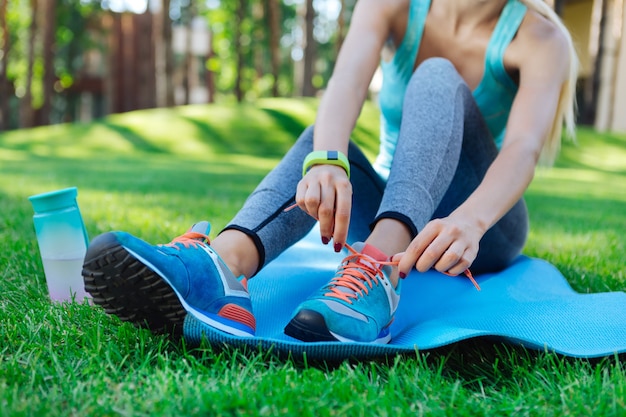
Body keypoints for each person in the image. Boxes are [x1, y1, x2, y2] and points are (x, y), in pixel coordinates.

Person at [82, 0, 578, 344]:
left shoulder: (541, 38)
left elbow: (523, 148)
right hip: (395, 203)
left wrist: (470, 221)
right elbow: (345, 84)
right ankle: (225, 269)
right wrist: (328, 163)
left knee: (436, 73)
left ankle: (376, 273)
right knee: (320, 144)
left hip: (481, 228)